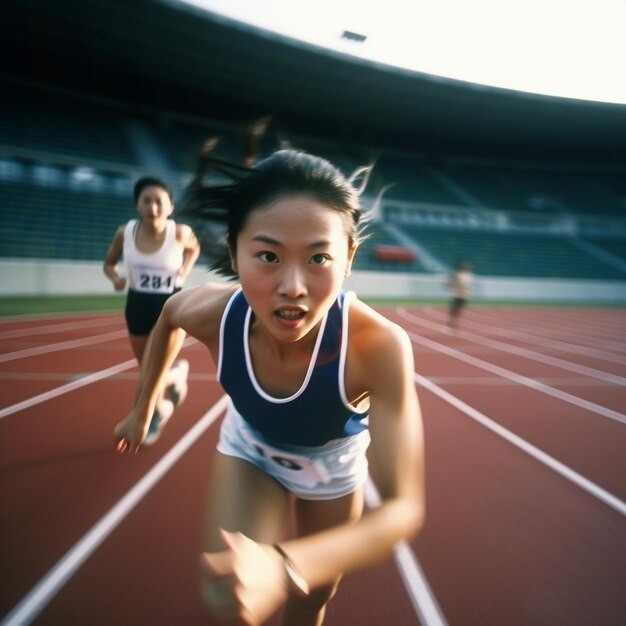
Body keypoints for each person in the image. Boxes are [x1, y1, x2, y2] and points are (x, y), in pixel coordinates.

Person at [113, 150, 425, 625]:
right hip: (251, 450)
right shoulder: (216, 315)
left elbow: (403, 509)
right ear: (234, 251)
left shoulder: (378, 347)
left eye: (319, 257)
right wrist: (143, 408)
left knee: (309, 600)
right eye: (268, 256)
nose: (293, 286)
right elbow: (170, 315)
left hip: (333, 470)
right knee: (231, 600)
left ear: (348, 259)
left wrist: (286, 567)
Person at [103, 175, 201, 444]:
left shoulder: (179, 233)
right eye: (147, 201)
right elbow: (109, 263)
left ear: (170, 206)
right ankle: (175, 378)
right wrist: (116, 278)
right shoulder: (125, 233)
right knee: (146, 372)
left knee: (148, 377)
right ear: (138, 205)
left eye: (159, 202)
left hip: (170, 308)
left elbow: (195, 249)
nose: (153, 208)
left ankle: (153, 417)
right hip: (137, 306)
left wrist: (184, 269)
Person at [446, 259, 474, 332]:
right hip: (460, 295)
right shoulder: (465, 275)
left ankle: (453, 325)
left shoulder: (465, 276)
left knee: (455, 310)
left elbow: (459, 284)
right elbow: (451, 285)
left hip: (460, 295)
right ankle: (453, 324)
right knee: (454, 311)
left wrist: (453, 280)